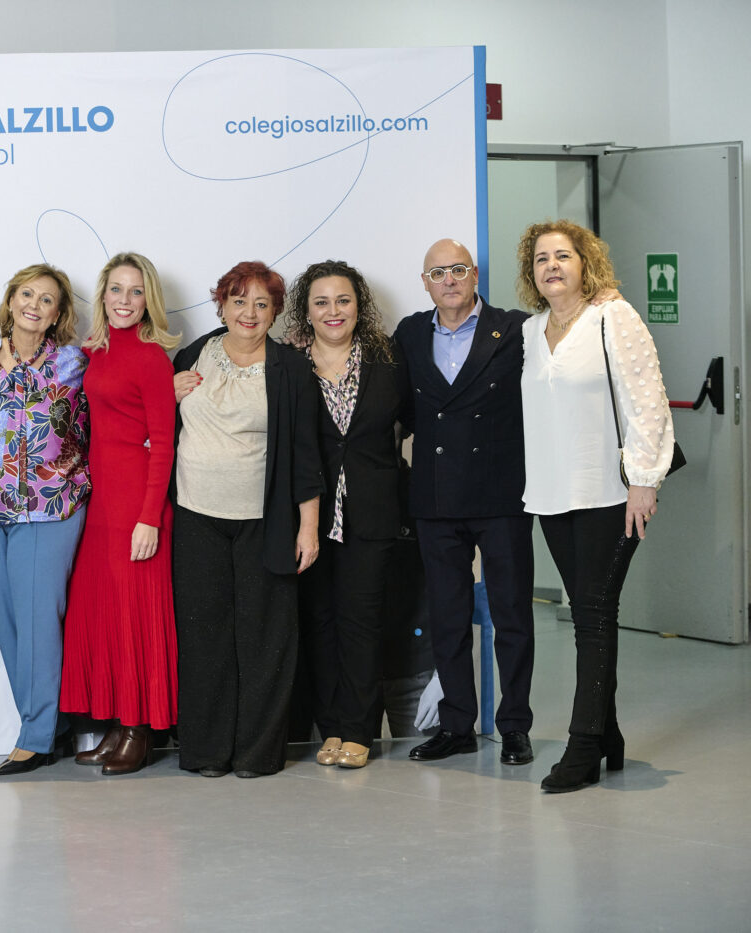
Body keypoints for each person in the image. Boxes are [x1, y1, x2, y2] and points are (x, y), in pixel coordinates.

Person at [516, 220, 676, 792]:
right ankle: (608, 736)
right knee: (589, 610)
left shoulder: (614, 317)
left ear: (585, 264)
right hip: (553, 495)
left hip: (611, 492)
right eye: (541, 259)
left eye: (563, 255)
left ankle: (582, 746)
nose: (552, 266)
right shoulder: (529, 331)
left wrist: (644, 480)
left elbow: (648, 402)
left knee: (592, 613)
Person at [171, 261, 322, 778]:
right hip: (195, 516)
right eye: (239, 301)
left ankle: (258, 753)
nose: (249, 313)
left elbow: (306, 454)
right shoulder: (192, 355)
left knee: (265, 639)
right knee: (204, 636)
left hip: (265, 521)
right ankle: (206, 751)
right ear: (222, 305)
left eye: (262, 303)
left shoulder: (291, 368)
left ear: (275, 311)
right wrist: (167, 394)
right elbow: (159, 427)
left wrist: (308, 528)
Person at [393, 239, 537, 768]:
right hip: (435, 495)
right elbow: (397, 405)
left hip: (501, 494)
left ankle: (515, 726)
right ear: (425, 282)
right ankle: (457, 725)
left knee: (512, 613)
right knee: (447, 616)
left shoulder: (516, 329)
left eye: (457, 269)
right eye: (438, 273)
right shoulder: (409, 333)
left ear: (475, 274)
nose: (449, 280)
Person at [0, 264, 90, 776]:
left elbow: (117, 402)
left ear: (58, 314)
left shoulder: (73, 362)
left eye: (46, 299)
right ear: (11, 300)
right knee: (9, 622)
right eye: (26, 294)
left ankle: (35, 737)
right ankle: (50, 727)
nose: (34, 305)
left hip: (50, 503)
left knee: (39, 622)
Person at [60, 252, 180, 776]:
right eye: (116, 289)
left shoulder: (152, 358)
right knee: (105, 615)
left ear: (148, 299)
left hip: (137, 504)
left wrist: (150, 517)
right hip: (100, 503)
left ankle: (139, 730)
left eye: (136, 291)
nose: (125, 301)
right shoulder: (93, 352)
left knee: (135, 618)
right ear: (103, 294)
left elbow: (164, 445)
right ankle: (115, 724)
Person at [285, 260, 402, 770]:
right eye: (322, 302)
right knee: (319, 623)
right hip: (306, 518)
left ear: (359, 306)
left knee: (361, 624)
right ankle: (330, 725)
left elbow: (412, 422)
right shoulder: (289, 364)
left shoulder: (388, 359)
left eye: (343, 300)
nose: (333, 311)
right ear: (306, 311)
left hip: (371, 514)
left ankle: (358, 729)